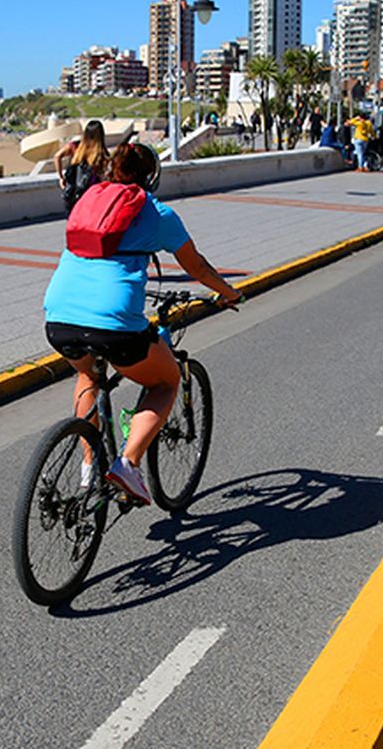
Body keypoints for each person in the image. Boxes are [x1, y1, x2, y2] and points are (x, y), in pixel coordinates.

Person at [42, 143, 242, 505]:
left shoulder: (89, 201)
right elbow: (196, 267)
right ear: (152, 177)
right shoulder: (158, 213)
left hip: (58, 313)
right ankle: (128, 465)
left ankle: (89, 469)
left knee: (88, 376)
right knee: (166, 381)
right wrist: (230, 293)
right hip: (114, 321)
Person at [54, 119, 110, 214]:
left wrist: (61, 177)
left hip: (74, 195)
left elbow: (57, 156)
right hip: (92, 196)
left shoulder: (75, 147)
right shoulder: (102, 154)